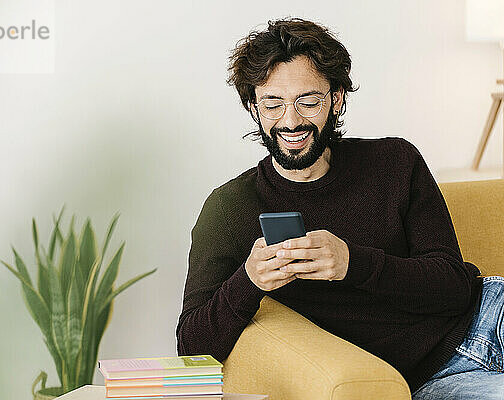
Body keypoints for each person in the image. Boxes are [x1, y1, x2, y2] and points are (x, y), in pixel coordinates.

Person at [175, 17, 504, 399]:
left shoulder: (395, 161)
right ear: (253, 107)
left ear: (336, 99)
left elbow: (455, 288)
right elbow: (190, 348)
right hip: (428, 379)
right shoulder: (229, 208)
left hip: (488, 313)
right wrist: (248, 282)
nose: (291, 120)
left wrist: (352, 263)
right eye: (273, 104)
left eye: (308, 101)